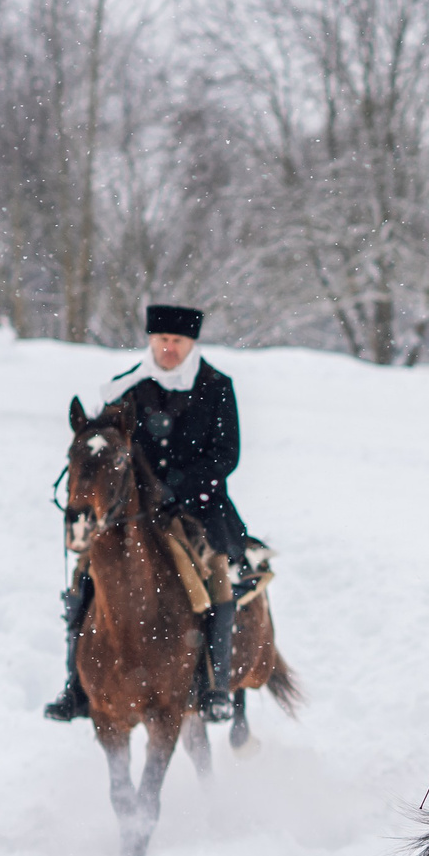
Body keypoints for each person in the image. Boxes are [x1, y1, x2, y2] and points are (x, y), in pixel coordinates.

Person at [44, 304, 253, 724]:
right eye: (162, 340)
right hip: (132, 510)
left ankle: (214, 687)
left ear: (191, 344)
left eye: (177, 341)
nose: (169, 348)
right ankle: (76, 687)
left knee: (216, 577)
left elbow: (226, 455)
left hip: (198, 507)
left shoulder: (217, 387)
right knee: (84, 578)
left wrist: (180, 484)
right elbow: (104, 444)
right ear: (151, 341)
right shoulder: (126, 388)